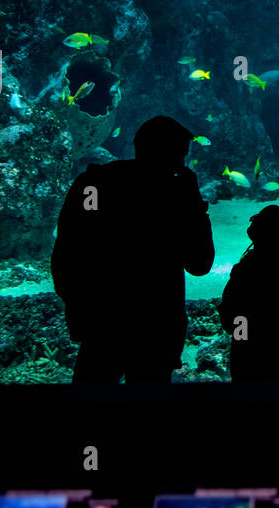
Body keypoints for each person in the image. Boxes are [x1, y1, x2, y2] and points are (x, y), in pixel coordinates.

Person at [52, 116, 214, 382]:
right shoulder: (175, 198)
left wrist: (78, 308)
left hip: (101, 325)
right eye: (179, 157)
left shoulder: (93, 183)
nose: (181, 166)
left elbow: (65, 253)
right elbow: (200, 263)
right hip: (156, 329)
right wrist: (194, 205)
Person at [218, 205, 279, 380]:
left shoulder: (247, 270)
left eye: (256, 219)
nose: (251, 221)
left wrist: (244, 340)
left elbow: (230, 316)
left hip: (248, 360)